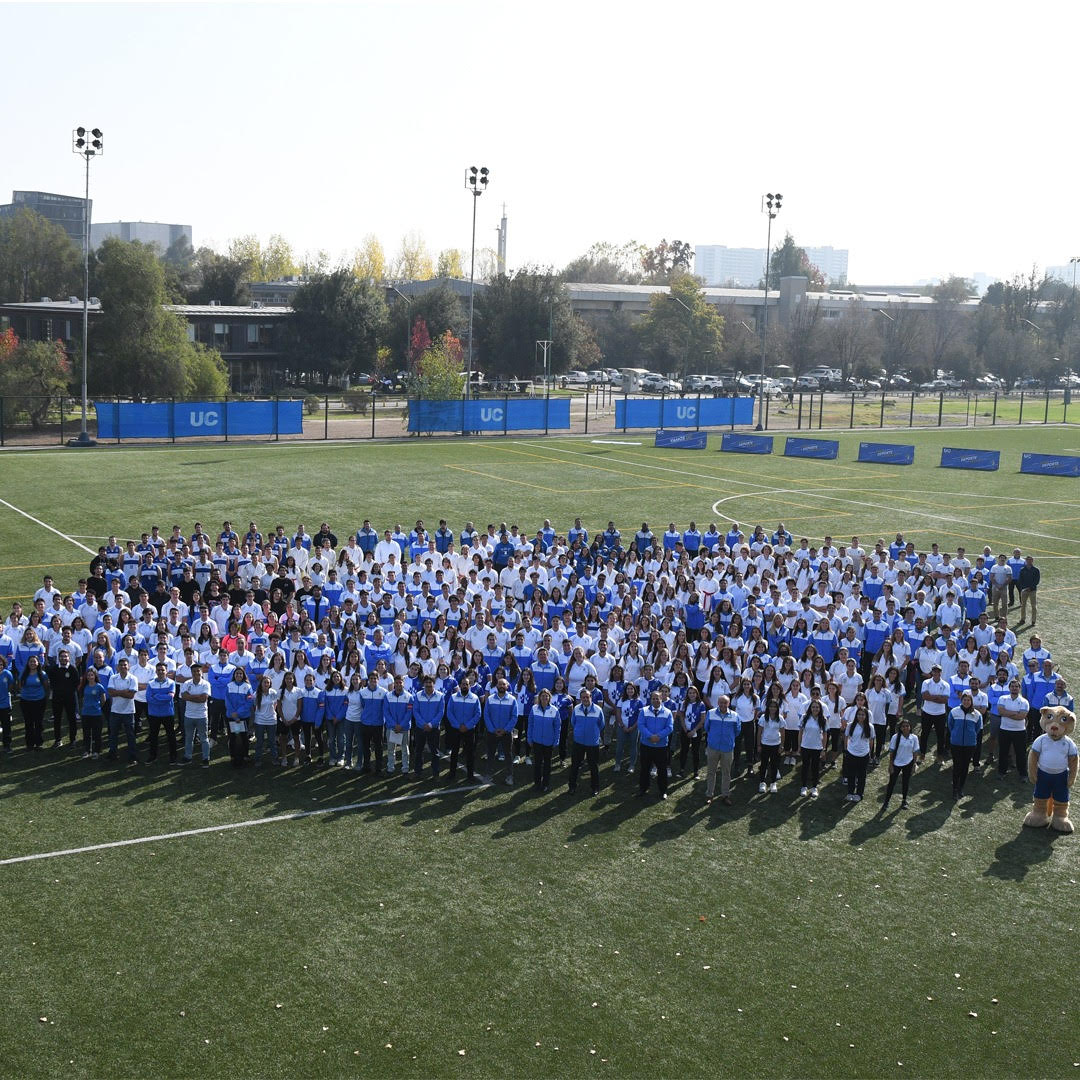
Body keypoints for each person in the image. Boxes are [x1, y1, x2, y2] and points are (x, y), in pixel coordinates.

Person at [703, 694, 739, 806]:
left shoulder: (735, 715)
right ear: (718, 703)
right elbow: (706, 727)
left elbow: (737, 731)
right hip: (713, 747)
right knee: (711, 772)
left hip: (727, 748)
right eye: (721, 702)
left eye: (725, 703)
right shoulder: (711, 713)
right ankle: (709, 794)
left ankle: (725, 795)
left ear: (729, 704)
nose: (723, 705)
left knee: (726, 773)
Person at [637, 689, 674, 799]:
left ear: (661, 699)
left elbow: (670, 728)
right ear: (650, 699)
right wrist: (650, 736)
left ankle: (663, 791)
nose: (655, 700)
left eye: (657, 698)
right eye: (653, 698)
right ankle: (643, 789)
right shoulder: (644, 711)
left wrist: (658, 736)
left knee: (662, 770)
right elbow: (641, 725)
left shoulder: (668, 712)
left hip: (661, 746)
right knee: (644, 769)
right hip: (646, 745)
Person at [568, 686, 604, 796]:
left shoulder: (598, 710)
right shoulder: (576, 709)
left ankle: (595, 788)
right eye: (583, 697)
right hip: (578, 742)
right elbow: (573, 722)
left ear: (591, 697)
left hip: (592, 743)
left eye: (587, 697)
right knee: (574, 765)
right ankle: (572, 786)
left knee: (593, 766)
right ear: (580, 698)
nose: (585, 699)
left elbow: (601, 725)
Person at [947, 690, 983, 801]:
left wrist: (970, 737)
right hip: (956, 744)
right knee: (957, 766)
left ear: (971, 701)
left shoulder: (977, 714)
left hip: (970, 745)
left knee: (965, 766)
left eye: (968, 700)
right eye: (964, 700)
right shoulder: (954, 712)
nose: (966, 702)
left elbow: (977, 729)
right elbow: (950, 726)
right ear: (961, 700)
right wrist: (955, 735)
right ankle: (954, 789)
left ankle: (960, 788)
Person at [445, 677, 482, 781]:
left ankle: (470, 775)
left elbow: (478, 714)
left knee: (470, 753)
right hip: (456, 730)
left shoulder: (475, 698)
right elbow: (449, 713)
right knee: (454, 752)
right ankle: (452, 774)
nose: (464, 686)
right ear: (460, 685)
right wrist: (458, 725)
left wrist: (467, 726)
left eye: (466, 684)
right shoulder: (453, 697)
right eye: (463, 684)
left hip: (469, 730)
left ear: (469, 686)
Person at [484, 677, 518, 785]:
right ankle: (488, 774)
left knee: (508, 755)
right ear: (496, 686)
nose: (501, 686)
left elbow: (514, 717)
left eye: (504, 684)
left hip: (506, 733)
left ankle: (509, 776)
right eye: (499, 684)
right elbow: (486, 715)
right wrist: (492, 729)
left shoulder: (512, 700)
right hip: (492, 732)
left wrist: (505, 730)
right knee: (490, 754)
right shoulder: (490, 699)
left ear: (507, 686)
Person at [107, 656, 139, 765]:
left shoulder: (133, 678)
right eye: (121, 665)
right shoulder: (113, 678)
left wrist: (118, 692)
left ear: (128, 666)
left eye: (125, 665)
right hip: (115, 711)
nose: (123, 667)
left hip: (128, 712)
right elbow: (111, 693)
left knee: (130, 735)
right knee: (113, 734)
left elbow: (131, 695)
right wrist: (124, 691)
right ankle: (112, 754)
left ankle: (132, 756)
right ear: (118, 667)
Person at [411, 675, 444, 779]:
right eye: (427, 683)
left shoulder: (440, 695)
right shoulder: (418, 695)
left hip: (434, 728)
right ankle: (417, 772)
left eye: (431, 683)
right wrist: (423, 724)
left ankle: (435, 773)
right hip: (420, 728)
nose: (429, 685)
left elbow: (440, 712)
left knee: (435, 752)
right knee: (418, 751)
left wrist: (430, 724)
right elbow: (415, 711)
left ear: (434, 684)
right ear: (423, 684)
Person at [883, 717, 920, 809]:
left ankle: (904, 801)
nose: (905, 728)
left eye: (907, 726)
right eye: (903, 726)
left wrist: (914, 764)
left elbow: (915, 752)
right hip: (896, 763)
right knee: (892, 783)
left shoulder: (914, 738)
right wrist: (891, 764)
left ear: (910, 727)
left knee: (905, 782)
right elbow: (891, 752)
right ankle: (886, 802)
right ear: (900, 728)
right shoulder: (895, 737)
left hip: (909, 763)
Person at [527, 686, 559, 792]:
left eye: (546, 696)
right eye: (542, 696)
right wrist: (529, 738)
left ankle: (545, 783)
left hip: (548, 742)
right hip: (536, 741)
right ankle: (537, 783)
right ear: (539, 698)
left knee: (547, 764)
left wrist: (556, 740)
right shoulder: (534, 709)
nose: (544, 698)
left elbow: (557, 727)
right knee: (537, 764)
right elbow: (530, 724)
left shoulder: (554, 711)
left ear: (549, 698)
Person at [996, 679, 1029, 780]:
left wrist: (1007, 713)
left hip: (1019, 731)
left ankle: (1023, 774)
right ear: (1009, 688)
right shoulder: (1002, 698)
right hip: (1004, 730)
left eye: (1016, 686)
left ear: (1019, 688)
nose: (1014, 688)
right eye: (1012, 686)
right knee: (1003, 753)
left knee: (1021, 753)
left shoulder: (1024, 701)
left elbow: (1021, 716)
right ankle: (1002, 772)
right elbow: (1001, 712)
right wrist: (1015, 713)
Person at [48, 647, 80, 749]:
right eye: (61, 656)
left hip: (70, 698)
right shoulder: (54, 669)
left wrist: (68, 691)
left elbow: (77, 683)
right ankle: (58, 740)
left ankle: (73, 740)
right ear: (58, 658)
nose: (63, 658)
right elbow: (51, 683)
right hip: (57, 698)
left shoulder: (73, 669)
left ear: (69, 658)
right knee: (57, 720)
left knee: (71, 719)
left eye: (65, 656)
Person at [180, 662, 212, 767]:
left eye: (198, 671)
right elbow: (183, 697)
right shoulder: (186, 683)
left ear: (201, 672)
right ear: (191, 672)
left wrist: (191, 696)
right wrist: (197, 697)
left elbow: (203, 699)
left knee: (204, 738)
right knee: (189, 738)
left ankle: (205, 758)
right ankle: (188, 757)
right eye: (194, 671)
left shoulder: (206, 684)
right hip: (188, 715)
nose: (196, 673)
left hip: (201, 716)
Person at [146, 661, 178, 763]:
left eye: (162, 670)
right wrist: (163, 697)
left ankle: (173, 755)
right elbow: (148, 698)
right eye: (158, 670)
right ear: (156, 671)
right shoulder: (151, 684)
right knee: (153, 736)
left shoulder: (171, 683)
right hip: (154, 714)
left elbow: (170, 697)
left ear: (166, 671)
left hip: (167, 713)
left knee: (171, 736)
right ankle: (153, 755)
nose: (160, 672)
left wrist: (156, 696)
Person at [225, 666, 254, 767]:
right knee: (232, 737)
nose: (238, 675)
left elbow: (249, 701)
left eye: (240, 673)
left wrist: (238, 713)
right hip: (231, 716)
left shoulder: (248, 686)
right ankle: (233, 756)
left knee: (244, 737)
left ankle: (245, 755)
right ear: (234, 675)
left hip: (243, 716)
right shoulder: (229, 685)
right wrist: (233, 713)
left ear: (243, 675)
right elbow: (227, 701)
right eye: (237, 673)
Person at [843, 706, 873, 803]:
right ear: (856, 715)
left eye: (863, 715)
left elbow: (872, 740)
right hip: (852, 753)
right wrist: (846, 749)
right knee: (851, 774)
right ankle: (850, 792)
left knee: (861, 775)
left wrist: (870, 752)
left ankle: (859, 793)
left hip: (864, 754)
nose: (861, 716)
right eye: (859, 714)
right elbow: (846, 737)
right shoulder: (850, 725)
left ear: (866, 716)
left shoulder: (870, 727)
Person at [384, 673, 413, 774]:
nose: (398, 684)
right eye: (396, 683)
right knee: (391, 749)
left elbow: (409, 714)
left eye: (400, 682)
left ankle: (405, 767)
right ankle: (390, 766)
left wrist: (401, 725)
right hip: (391, 728)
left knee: (405, 749)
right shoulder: (387, 696)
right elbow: (386, 712)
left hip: (404, 728)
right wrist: (394, 725)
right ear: (394, 684)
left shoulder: (409, 697)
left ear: (403, 684)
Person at [798, 697, 827, 798]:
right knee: (805, 767)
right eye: (813, 707)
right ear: (810, 708)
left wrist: (823, 749)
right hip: (805, 746)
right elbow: (800, 732)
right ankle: (804, 786)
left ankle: (814, 787)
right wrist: (799, 746)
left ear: (820, 708)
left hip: (817, 748)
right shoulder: (804, 717)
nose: (815, 709)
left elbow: (825, 735)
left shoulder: (823, 719)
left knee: (815, 768)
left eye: (817, 707)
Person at [79, 665, 108, 759]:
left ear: (95, 676)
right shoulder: (85, 686)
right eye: (88, 675)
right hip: (86, 713)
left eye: (92, 675)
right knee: (86, 733)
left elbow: (103, 699)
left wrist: (97, 707)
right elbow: (83, 698)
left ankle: (96, 751)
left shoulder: (99, 687)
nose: (90, 677)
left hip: (96, 714)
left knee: (97, 734)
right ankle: (87, 750)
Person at [757, 699, 783, 795]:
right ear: (768, 707)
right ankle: (762, 782)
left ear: (777, 708)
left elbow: (783, 732)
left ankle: (773, 783)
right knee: (764, 764)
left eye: (774, 707)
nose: (773, 708)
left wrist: (781, 746)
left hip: (776, 745)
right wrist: (759, 745)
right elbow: (759, 732)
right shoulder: (763, 717)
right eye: (771, 706)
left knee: (774, 764)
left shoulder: (780, 718)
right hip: (765, 745)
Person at [252, 674, 280, 766]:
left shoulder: (273, 692)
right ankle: (257, 759)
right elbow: (254, 707)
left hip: (272, 720)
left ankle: (275, 758)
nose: (266, 684)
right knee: (259, 741)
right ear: (261, 683)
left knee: (272, 741)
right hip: (259, 721)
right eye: (264, 682)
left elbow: (275, 705)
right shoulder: (256, 694)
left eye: (268, 682)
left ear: (270, 684)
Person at [1017, 556, 1040, 627]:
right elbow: (1020, 580)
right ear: (1026, 561)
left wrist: (1030, 588)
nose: (1029, 561)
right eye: (1028, 560)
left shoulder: (1036, 570)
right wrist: (1025, 588)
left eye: (1030, 560)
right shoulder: (1022, 570)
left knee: (1033, 606)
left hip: (1032, 591)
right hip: (1024, 590)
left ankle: (1033, 621)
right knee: (1023, 605)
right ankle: (1022, 619)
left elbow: (1037, 581)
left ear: (1032, 561)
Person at [0, 655, 14, 752]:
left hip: (5, 705)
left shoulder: (7, 674)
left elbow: (10, 686)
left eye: (1, 664)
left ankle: (7, 745)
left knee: (6, 726)